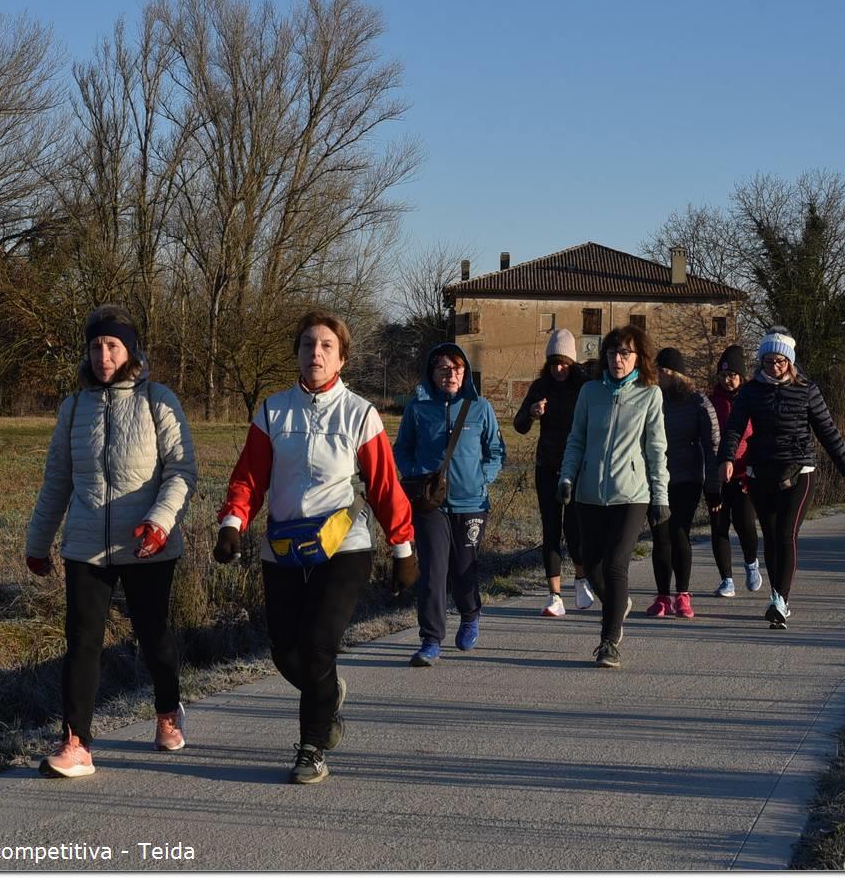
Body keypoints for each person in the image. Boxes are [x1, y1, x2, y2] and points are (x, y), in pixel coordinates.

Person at [213, 311, 416, 785]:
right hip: (284, 546)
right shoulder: (273, 411)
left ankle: (312, 747)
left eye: (327, 346)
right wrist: (232, 523)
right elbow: (249, 478)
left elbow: (385, 487)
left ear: (342, 358)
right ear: (297, 354)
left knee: (319, 644)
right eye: (308, 344)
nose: (316, 354)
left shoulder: (360, 414)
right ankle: (327, 695)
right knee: (286, 652)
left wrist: (403, 549)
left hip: (343, 546)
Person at [25, 305, 199, 779]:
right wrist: (38, 543)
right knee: (82, 640)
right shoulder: (74, 408)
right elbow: (57, 480)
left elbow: (182, 472)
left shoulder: (157, 400)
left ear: (131, 350)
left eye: (113, 346)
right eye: (96, 346)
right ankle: (76, 743)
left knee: (153, 635)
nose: (103, 356)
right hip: (86, 545)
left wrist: (160, 522)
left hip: (147, 543)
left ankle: (167, 711)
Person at [717, 327, 845, 630]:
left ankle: (781, 600)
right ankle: (776, 595)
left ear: (790, 362)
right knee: (770, 536)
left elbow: (827, 431)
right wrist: (727, 458)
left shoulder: (807, 390)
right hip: (762, 471)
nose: (774, 367)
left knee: (786, 533)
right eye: (768, 361)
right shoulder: (751, 391)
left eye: (780, 361)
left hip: (799, 470)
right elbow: (734, 428)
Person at [557, 323, 668, 669]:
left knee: (616, 564)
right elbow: (576, 439)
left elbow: (656, 449)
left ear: (638, 357)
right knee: (591, 566)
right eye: (612, 353)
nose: (617, 360)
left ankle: (608, 642)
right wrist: (566, 477)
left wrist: (660, 496)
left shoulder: (650, 394)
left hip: (631, 495)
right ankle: (619, 606)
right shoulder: (590, 392)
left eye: (624, 353)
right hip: (589, 493)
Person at [395, 343, 505, 665]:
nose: (450, 375)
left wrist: (482, 478)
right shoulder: (417, 408)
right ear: (431, 373)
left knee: (463, 569)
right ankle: (431, 640)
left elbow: (495, 451)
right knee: (433, 571)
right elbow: (402, 449)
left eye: (457, 369)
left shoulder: (480, 407)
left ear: (465, 372)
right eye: (443, 369)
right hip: (431, 505)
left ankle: (470, 614)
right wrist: (415, 473)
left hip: (472, 502)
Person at [511, 328, 594, 616]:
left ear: (572, 363)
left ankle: (581, 578)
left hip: (577, 467)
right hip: (546, 465)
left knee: (574, 528)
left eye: (563, 364)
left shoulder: (584, 386)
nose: (558, 369)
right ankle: (554, 595)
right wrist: (531, 413)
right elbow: (519, 425)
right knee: (551, 529)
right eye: (553, 364)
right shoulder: (540, 386)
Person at [644, 347, 720, 619]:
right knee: (660, 536)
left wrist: (714, 487)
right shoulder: (652, 398)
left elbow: (712, 445)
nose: (660, 376)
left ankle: (683, 594)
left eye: (664, 371)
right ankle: (662, 596)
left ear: (677, 374)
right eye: (658, 371)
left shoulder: (697, 401)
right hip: (656, 478)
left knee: (679, 533)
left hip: (688, 477)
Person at [707, 344, 762, 598]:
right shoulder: (711, 402)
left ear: (741, 376)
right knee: (719, 526)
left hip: (743, 473)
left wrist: (753, 468)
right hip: (717, 474)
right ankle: (726, 579)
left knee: (745, 524)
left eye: (732, 375)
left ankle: (751, 563)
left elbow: (758, 436)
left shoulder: (752, 400)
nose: (727, 380)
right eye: (723, 375)